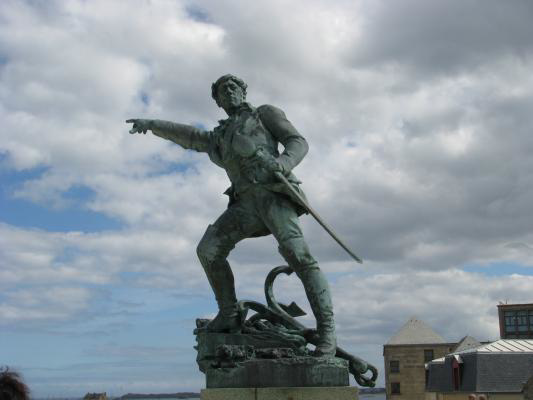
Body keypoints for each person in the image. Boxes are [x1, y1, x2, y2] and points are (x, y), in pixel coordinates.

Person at [127, 74, 336, 357]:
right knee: (208, 250)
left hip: (274, 194)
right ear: (218, 101)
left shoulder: (265, 115)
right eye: (222, 91)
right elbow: (189, 136)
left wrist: (282, 164)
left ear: (243, 91)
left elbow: (297, 141)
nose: (229, 91)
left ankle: (327, 333)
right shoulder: (219, 137)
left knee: (299, 257)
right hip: (245, 204)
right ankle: (229, 312)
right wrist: (152, 125)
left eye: (233, 87)